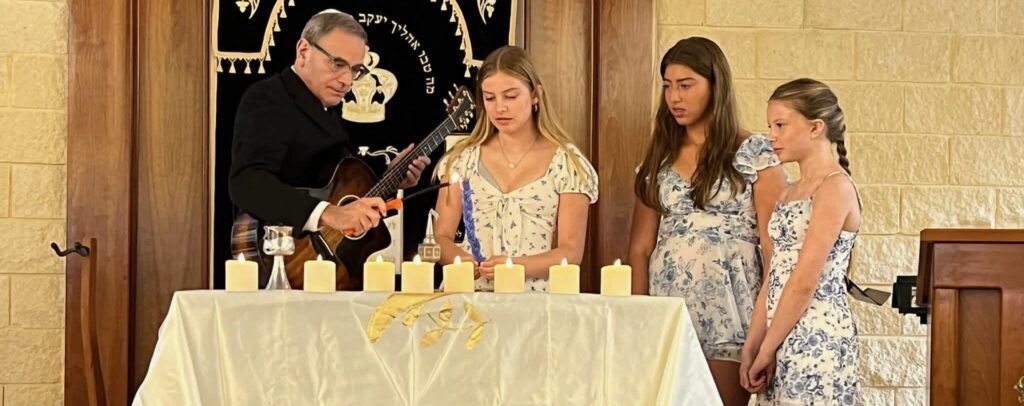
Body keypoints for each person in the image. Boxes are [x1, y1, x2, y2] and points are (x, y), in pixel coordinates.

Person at [627, 37, 786, 406]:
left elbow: (774, 246)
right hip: (669, 311)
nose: (674, 98)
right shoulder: (659, 159)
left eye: (686, 85)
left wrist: (768, 328)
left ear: (715, 86)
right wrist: (639, 317)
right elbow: (640, 248)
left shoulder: (754, 153)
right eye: (667, 86)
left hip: (733, 310)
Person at [229, 10, 430, 237]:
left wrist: (390, 179)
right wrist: (329, 214)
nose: (347, 80)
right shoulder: (268, 97)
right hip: (280, 259)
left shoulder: (327, 111)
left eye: (356, 70)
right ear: (304, 51)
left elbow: (337, 192)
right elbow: (246, 183)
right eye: (337, 63)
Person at [433, 46, 598, 292]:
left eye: (510, 96)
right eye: (490, 98)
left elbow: (571, 252)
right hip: (469, 293)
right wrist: (461, 260)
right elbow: (441, 237)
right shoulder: (462, 160)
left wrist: (515, 266)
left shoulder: (567, 164)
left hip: (532, 298)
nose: (500, 108)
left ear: (535, 95)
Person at [743, 78, 861, 405]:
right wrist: (753, 343)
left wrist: (767, 349)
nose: (772, 136)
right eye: (770, 125)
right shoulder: (787, 192)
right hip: (777, 333)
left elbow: (805, 280)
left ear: (815, 128)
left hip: (817, 338)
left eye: (781, 124)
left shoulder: (835, 187)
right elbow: (776, 272)